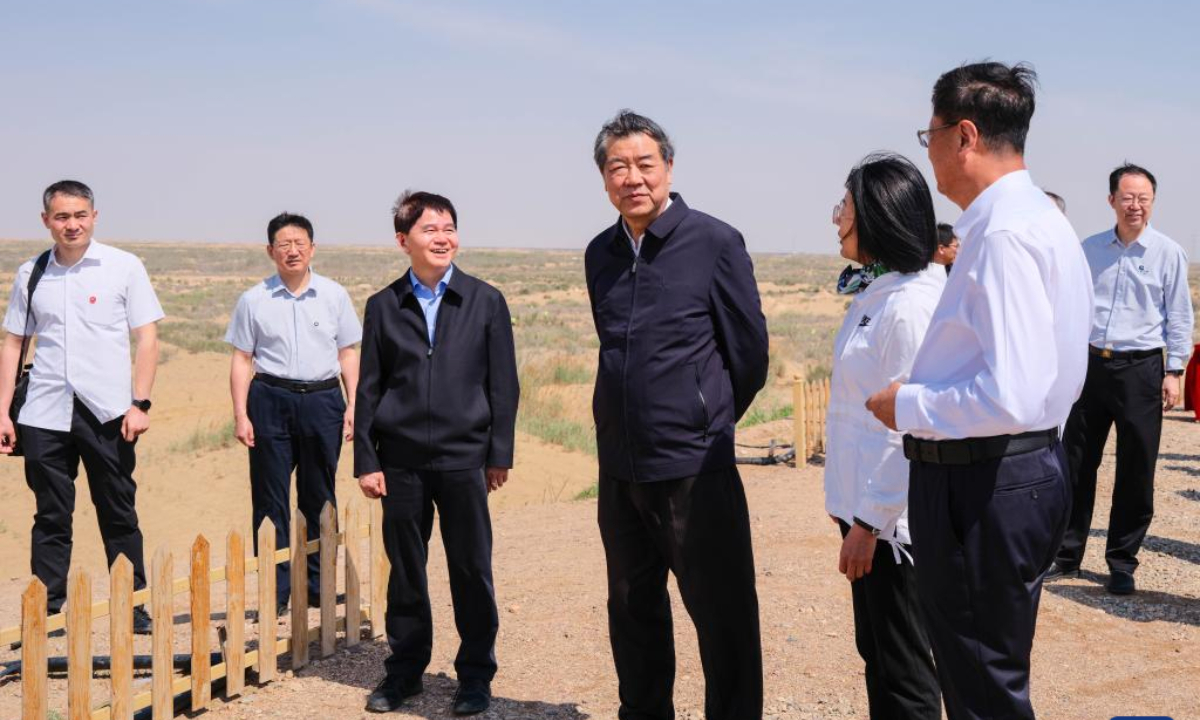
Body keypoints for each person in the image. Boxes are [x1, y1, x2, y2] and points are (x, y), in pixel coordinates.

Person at [865, 62, 1093, 720]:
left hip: (983, 480)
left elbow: (1011, 393)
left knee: (982, 690)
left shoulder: (1004, 233)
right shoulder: (1038, 220)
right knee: (987, 675)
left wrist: (904, 403)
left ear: (963, 135)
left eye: (929, 133)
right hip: (1013, 470)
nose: (928, 151)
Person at [585, 110, 769, 720]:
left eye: (644, 164)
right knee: (632, 612)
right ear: (604, 178)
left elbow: (748, 355)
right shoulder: (600, 254)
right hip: (621, 467)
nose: (632, 178)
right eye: (618, 167)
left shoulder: (714, 242)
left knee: (723, 618)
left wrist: (704, 418)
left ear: (667, 167)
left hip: (696, 468)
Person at [355, 191, 518, 716]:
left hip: (463, 458)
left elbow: (504, 385)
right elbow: (369, 390)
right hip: (400, 460)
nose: (443, 236)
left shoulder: (485, 299)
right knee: (406, 569)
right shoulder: (383, 305)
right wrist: (366, 458)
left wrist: (499, 453)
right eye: (430, 229)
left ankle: (475, 677)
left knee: (471, 568)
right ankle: (404, 673)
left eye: (449, 227)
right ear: (404, 240)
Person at [0, 180, 163, 634]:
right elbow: (15, 341)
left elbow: (147, 336)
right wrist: (2, 411)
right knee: (51, 514)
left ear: (94, 216)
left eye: (79, 215)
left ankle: (133, 605)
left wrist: (139, 402)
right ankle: (46, 608)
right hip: (43, 412)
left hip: (108, 411)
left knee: (118, 509)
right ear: (46, 221)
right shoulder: (31, 273)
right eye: (61, 217)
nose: (71, 225)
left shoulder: (123, 267)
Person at [825, 153, 943, 720]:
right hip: (866, 514)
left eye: (844, 204)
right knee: (879, 655)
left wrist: (870, 524)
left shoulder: (912, 306)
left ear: (875, 214)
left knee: (904, 670)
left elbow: (912, 432)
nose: (836, 217)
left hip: (892, 527)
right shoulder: (879, 292)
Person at [1049, 163, 1193, 595]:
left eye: (1143, 198)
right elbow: (1069, 307)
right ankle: (1067, 553)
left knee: (1136, 469)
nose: (1135, 206)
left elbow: (1179, 317)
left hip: (1141, 370)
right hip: (1091, 365)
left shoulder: (1168, 253)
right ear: (1111, 200)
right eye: (1127, 197)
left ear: (1153, 202)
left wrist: (1174, 371)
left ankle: (1122, 562)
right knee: (1076, 464)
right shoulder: (1088, 250)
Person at [225, 212, 361, 615]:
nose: (292, 250)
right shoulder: (254, 299)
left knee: (320, 495)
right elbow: (241, 359)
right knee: (270, 498)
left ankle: (318, 586)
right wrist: (240, 413)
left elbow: (347, 353)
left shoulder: (334, 295)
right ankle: (276, 591)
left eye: (300, 242)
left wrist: (354, 404)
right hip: (269, 399)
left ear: (313, 248)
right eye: (283, 244)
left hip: (323, 401)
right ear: (270, 251)